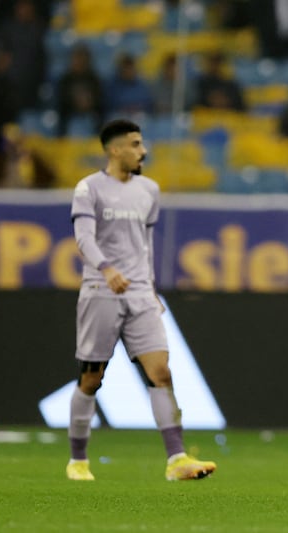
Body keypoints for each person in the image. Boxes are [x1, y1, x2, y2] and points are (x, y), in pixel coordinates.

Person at [66, 119, 217, 482]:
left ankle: (177, 459)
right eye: (135, 144)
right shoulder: (89, 189)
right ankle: (78, 460)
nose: (142, 150)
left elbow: (144, 246)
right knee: (92, 378)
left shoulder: (149, 190)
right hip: (101, 291)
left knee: (161, 371)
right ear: (115, 149)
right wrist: (106, 269)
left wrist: (149, 288)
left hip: (139, 294)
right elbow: (84, 239)